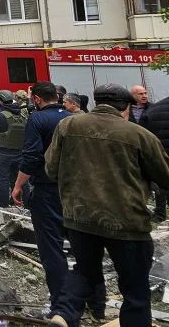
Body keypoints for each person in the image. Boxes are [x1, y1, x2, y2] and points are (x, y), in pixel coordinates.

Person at [46, 85, 169, 327]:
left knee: (84, 270)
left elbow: (51, 169)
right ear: (125, 107)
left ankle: (63, 314)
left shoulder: (68, 126)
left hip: (79, 217)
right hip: (126, 221)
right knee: (135, 287)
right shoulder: (139, 135)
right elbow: (165, 175)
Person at [12, 81, 102, 319]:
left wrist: (19, 185)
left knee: (52, 249)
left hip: (48, 190)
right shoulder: (74, 119)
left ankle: (61, 305)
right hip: (79, 190)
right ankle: (95, 302)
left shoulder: (37, 120)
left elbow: (31, 156)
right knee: (84, 246)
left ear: (37, 100)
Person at [0, 92, 28, 207]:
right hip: (20, 152)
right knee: (22, 180)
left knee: (2, 179)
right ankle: (26, 202)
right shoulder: (23, 115)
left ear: (1, 102)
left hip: (2, 152)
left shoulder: (0, 116)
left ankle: (3, 204)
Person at [141, 95, 169, 222]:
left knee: (162, 185)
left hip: (161, 158)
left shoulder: (153, 110)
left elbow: (143, 139)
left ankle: (160, 214)